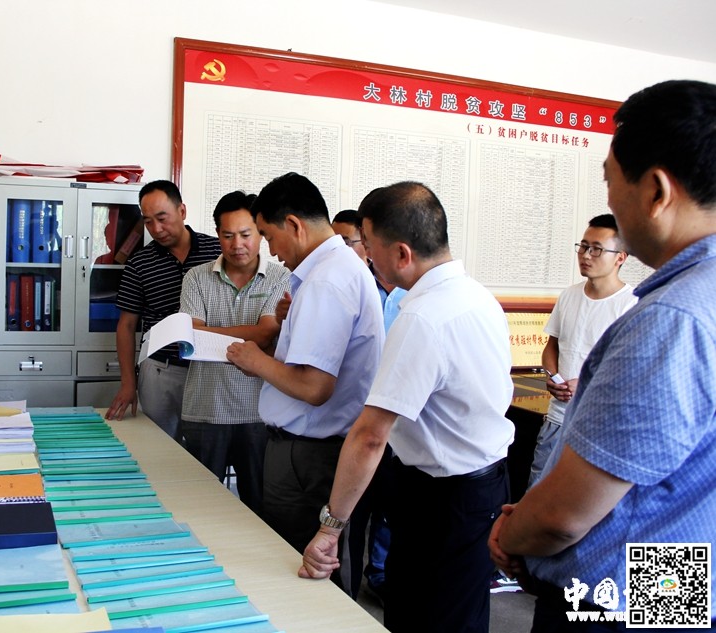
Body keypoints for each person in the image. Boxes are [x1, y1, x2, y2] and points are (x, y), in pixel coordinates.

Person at [490, 80, 716, 632]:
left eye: (610, 179)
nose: (610, 197)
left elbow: (565, 516)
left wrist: (511, 535)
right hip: (681, 576)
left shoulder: (672, 318)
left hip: (618, 597)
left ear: (656, 191)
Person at [299, 182, 514, 633]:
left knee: (426, 617)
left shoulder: (422, 317)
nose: (365, 256)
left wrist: (330, 527)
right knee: (461, 613)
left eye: (367, 243)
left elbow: (370, 435)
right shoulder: (477, 296)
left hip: (444, 502)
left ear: (401, 253)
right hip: (482, 486)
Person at [226, 173, 384, 590]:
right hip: (314, 450)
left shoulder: (327, 280)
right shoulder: (337, 269)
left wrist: (257, 361)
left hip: (308, 455)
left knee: (305, 571)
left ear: (294, 225)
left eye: (267, 236)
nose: (271, 252)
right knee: (313, 566)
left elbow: (314, 387)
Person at [179, 191, 290, 515]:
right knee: (203, 506)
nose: (237, 244)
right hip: (205, 410)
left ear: (261, 233)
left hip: (259, 413)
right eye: (228, 235)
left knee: (259, 505)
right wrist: (249, 334)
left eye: (245, 234)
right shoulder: (196, 277)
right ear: (218, 234)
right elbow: (191, 336)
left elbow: (267, 332)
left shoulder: (281, 277)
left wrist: (207, 332)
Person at [106, 180, 221, 439]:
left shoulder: (217, 252)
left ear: (182, 211)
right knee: (157, 446)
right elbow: (126, 325)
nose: (156, 229)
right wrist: (128, 383)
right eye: (148, 221)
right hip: (160, 369)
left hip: (208, 369)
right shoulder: (139, 263)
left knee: (205, 448)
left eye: (162, 218)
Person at [527, 214, 636, 487]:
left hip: (599, 427)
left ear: (620, 258)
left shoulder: (631, 305)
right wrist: (552, 376)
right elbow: (551, 347)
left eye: (596, 249)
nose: (586, 255)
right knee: (535, 493)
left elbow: (630, 371)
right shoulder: (569, 295)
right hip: (557, 419)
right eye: (583, 246)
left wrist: (587, 383)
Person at [331, 208, 404, 600]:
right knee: (354, 513)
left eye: (349, 241)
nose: (341, 250)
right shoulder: (341, 290)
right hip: (357, 421)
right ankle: (349, 593)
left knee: (393, 511)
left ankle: (380, 573)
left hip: (401, 425)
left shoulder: (414, 294)